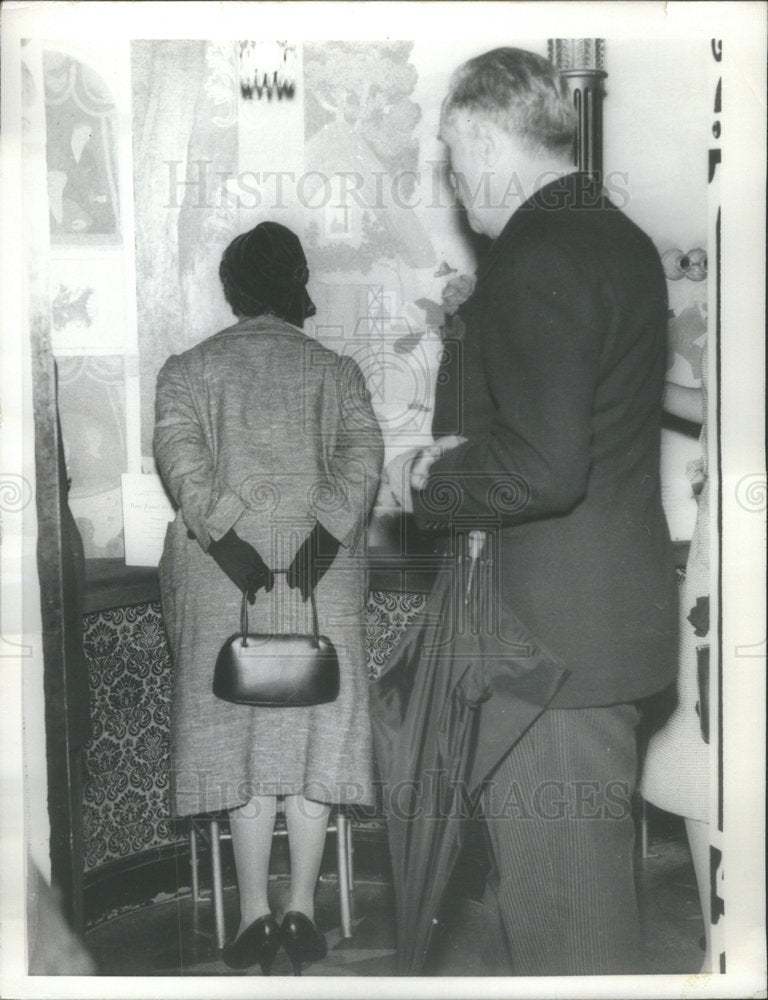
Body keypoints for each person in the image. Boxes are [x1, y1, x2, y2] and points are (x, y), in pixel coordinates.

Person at [391, 48, 678, 975]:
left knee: (568, 933)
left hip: (547, 655)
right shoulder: (615, 236)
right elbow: (578, 431)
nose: (454, 177)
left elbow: (547, 469)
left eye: (450, 151)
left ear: (480, 136)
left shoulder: (535, 252)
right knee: (563, 898)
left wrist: (428, 483)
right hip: (599, 633)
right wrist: (474, 453)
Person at [154, 222, 383, 975]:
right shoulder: (339, 371)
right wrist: (315, 548)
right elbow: (363, 458)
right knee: (319, 738)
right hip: (322, 579)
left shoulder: (186, 370)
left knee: (240, 741)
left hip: (222, 581)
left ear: (233, 288)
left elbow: (181, 462)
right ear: (296, 284)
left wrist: (234, 549)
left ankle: (252, 913)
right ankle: (305, 914)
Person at [641, 349, 711, 971]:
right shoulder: (729, 381)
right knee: (699, 753)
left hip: (730, 575)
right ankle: (722, 926)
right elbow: (690, 399)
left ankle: (729, 929)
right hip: (712, 582)